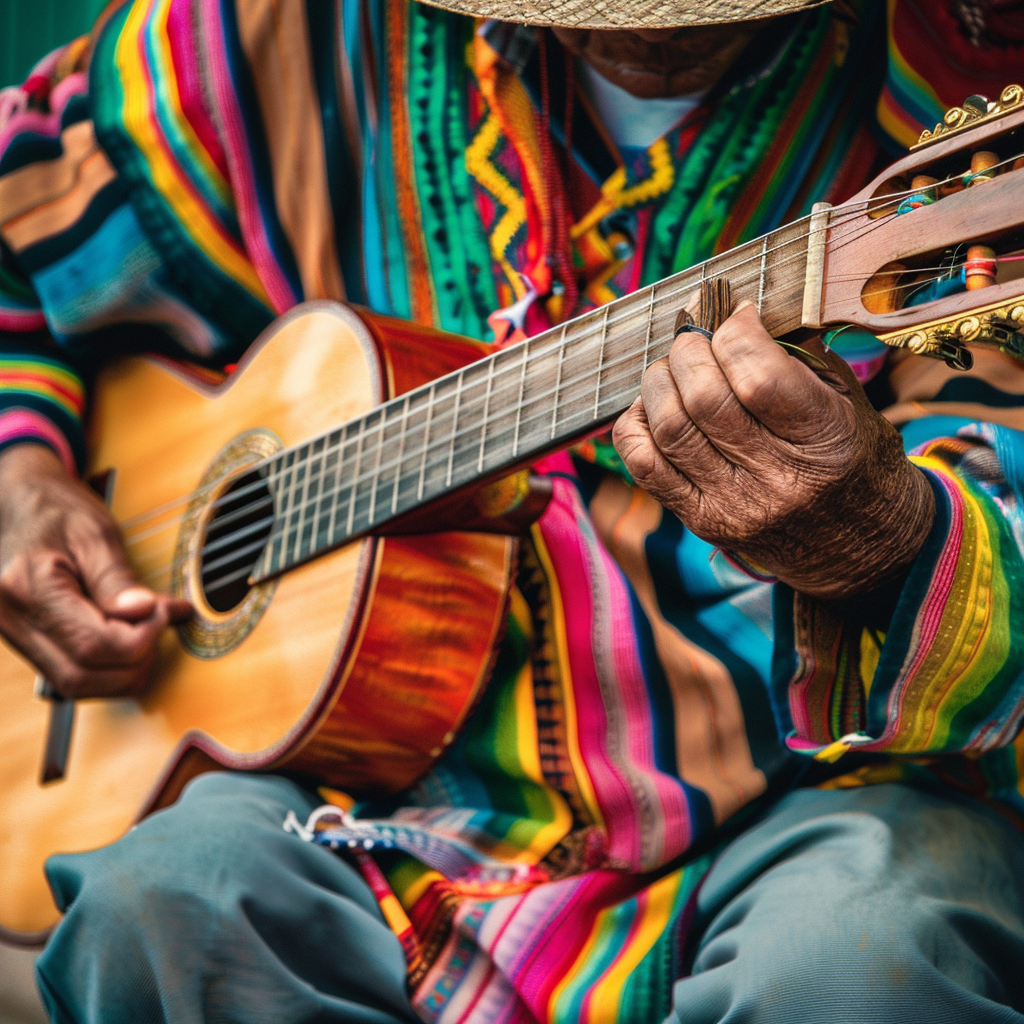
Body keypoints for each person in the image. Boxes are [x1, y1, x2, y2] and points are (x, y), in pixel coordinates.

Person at [2, 0, 1024, 1021]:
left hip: (801, 810)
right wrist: (20, 470)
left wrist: (890, 543)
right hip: (359, 805)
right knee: (157, 900)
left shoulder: (962, 90)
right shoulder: (273, 39)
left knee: (859, 957)